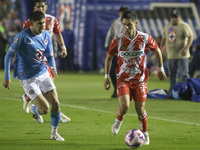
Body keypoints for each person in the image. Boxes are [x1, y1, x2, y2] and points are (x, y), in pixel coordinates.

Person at [104, 11, 167, 145]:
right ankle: (119, 120)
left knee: (140, 109)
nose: (126, 27)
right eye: (124, 25)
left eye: (129, 25)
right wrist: (106, 77)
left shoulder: (145, 38)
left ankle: (145, 133)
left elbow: (157, 50)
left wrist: (161, 69)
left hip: (140, 81)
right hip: (123, 80)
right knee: (125, 107)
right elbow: (109, 57)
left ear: (136, 24)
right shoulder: (118, 40)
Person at [3, 11, 65, 141]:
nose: (42, 26)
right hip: (27, 78)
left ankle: (54, 134)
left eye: (43, 23)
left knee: (56, 104)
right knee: (45, 109)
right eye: (39, 24)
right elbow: (8, 55)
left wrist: (52, 67)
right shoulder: (22, 37)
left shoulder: (47, 35)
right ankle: (35, 110)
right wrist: (7, 77)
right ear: (32, 24)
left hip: (43, 73)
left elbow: (49, 54)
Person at [21, 0, 71, 123]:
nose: (40, 8)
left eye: (42, 6)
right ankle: (53, 110)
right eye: (38, 6)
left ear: (46, 7)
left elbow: (57, 33)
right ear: (34, 8)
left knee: (49, 88)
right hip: (35, 61)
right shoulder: (29, 22)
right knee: (48, 89)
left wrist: (63, 47)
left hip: (48, 59)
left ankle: (29, 99)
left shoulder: (52, 20)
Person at [160, 9, 193, 97]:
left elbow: (191, 37)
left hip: (182, 56)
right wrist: (161, 48)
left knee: (184, 75)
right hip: (171, 55)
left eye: (176, 17)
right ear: (170, 18)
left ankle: (187, 92)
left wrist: (186, 48)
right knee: (172, 76)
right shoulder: (167, 26)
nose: (174, 19)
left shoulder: (184, 26)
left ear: (180, 17)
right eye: (173, 17)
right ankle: (173, 93)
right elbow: (164, 37)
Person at [105, 6, 130, 98]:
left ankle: (126, 90)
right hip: (116, 50)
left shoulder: (131, 22)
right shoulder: (115, 22)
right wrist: (107, 48)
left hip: (127, 52)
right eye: (122, 13)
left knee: (125, 72)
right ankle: (116, 89)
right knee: (112, 71)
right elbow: (110, 34)